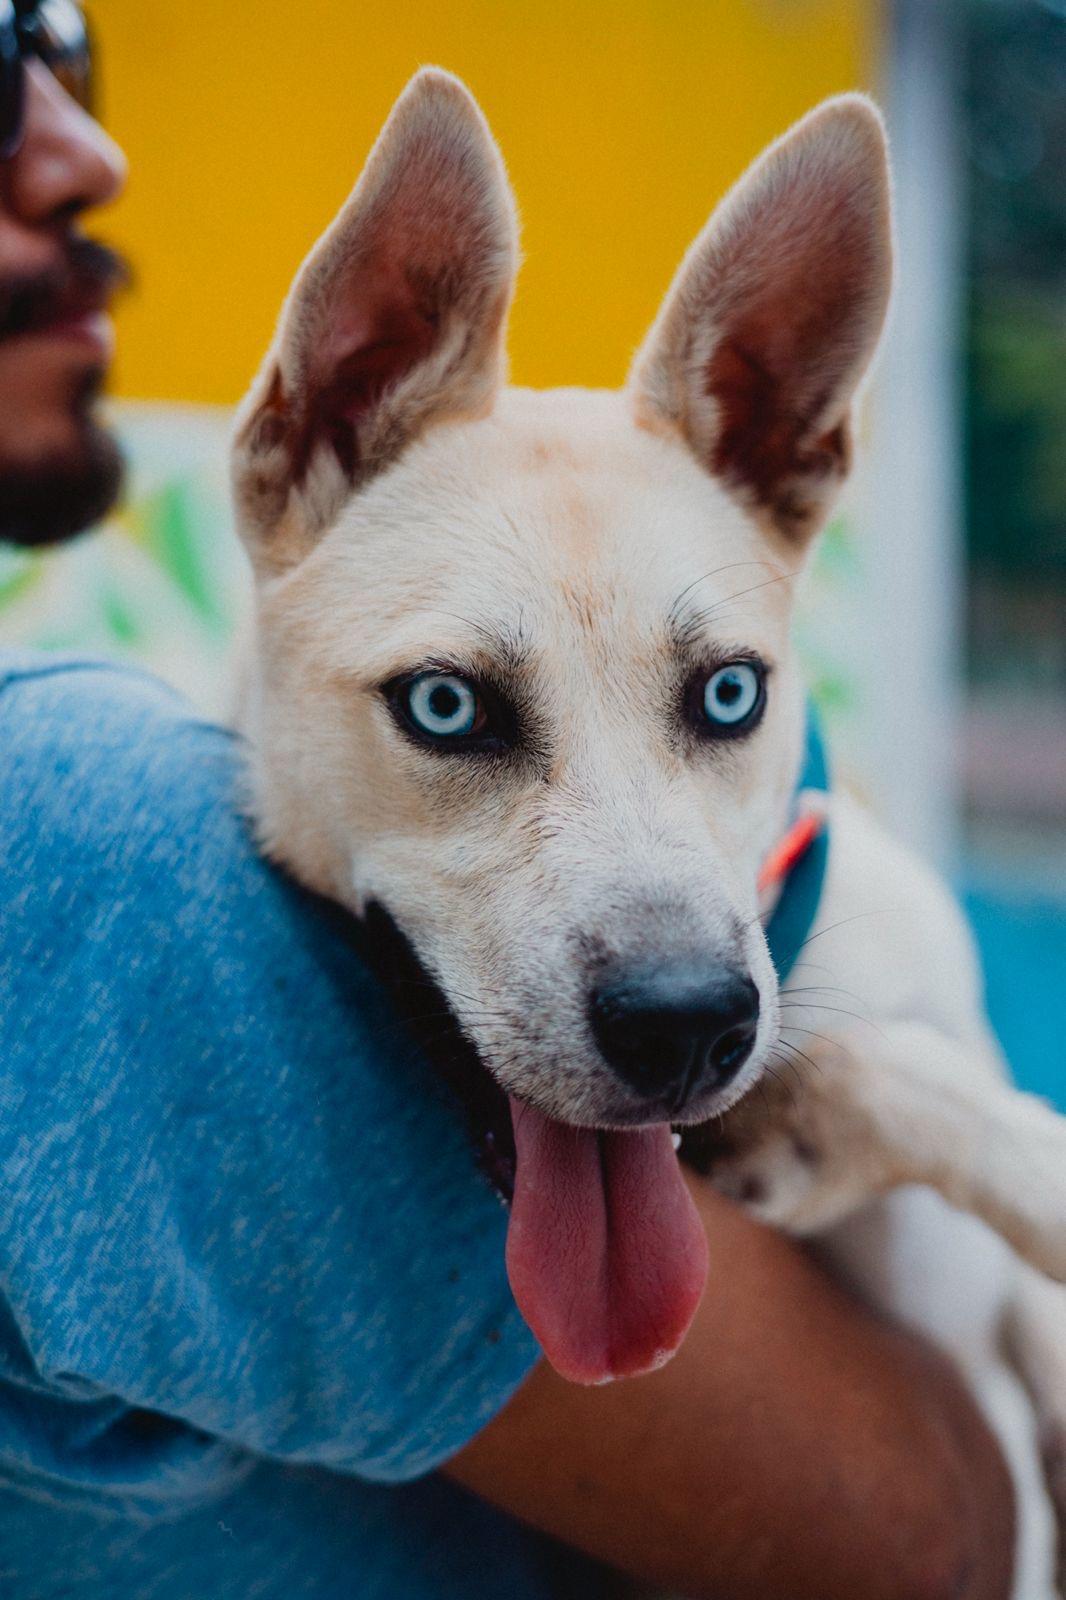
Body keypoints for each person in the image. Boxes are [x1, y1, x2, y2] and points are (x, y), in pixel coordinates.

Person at [0, 5, 1017, 1598]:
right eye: (453, 711)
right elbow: (948, 1545)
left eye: (719, 700)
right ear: (313, 435)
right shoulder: (78, 840)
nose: (683, 970)